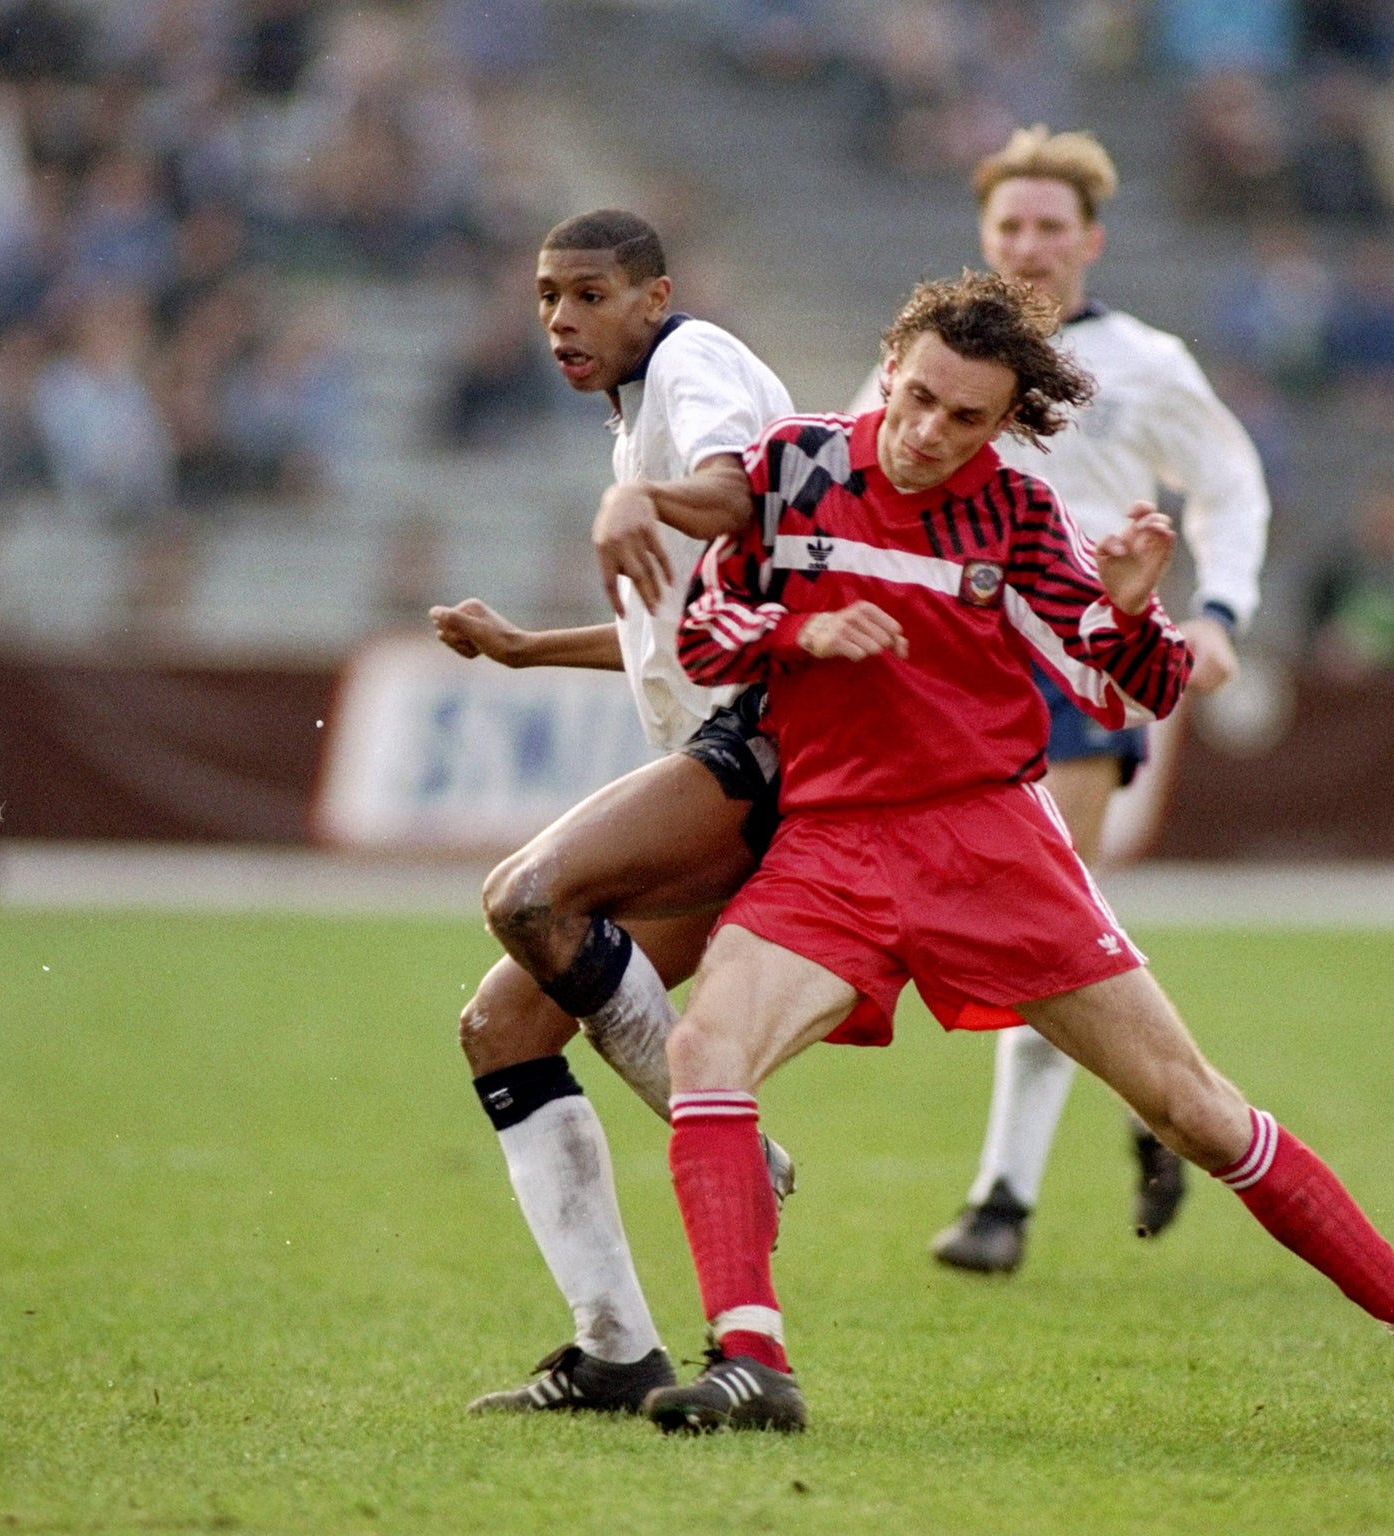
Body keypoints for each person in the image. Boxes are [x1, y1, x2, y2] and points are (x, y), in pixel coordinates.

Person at [641, 270, 1394, 1439]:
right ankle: (749, 1362)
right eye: (918, 397)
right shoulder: (795, 465)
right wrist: (799, 629)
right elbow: (703, 634)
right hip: (833, 843)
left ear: (1007, 421)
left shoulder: (1017, 515)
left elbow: (1150, 684)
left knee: (1194, 1113)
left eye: (965, 417)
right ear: (890, 365)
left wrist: (1134, 608)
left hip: (987, 843)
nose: (929, 432)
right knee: (706, 1046)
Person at [849, 126, 1272, 1274]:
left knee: (1046, 906)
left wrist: (1219, 615)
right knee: (1025, 915)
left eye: (1048, 227)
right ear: (983, 238)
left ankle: (1000, 1202)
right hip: (949, 656)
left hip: (1076, 656)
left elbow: (1229, 481)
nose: (1029, 245)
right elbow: (848, 472)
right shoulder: (937, 359)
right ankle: (1155, 1099)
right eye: (1008, 228)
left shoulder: (1143, 360)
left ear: (1088, 239)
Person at [425, 209, 796, 1414]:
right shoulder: (635, 408)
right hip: (721, 737)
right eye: (545, 298)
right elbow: (671, 621)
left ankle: (732, 1138)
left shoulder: (689, 365)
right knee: (503, 1029)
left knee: (528, 897)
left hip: (772, 735)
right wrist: (531, 650)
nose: (560, 320)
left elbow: (735, 489)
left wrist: (635, 506)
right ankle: (616, 1350)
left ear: (653, 296)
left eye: (586, 295)